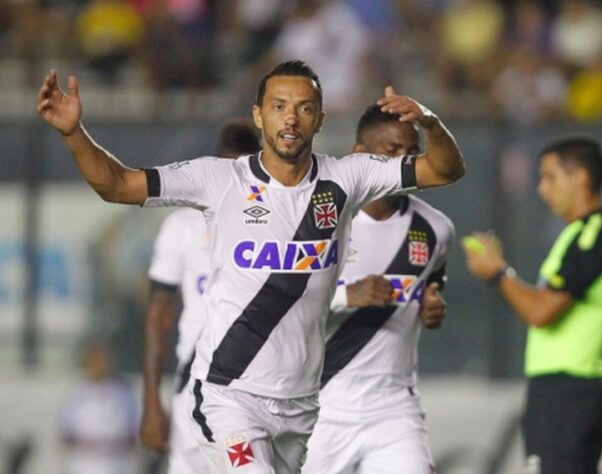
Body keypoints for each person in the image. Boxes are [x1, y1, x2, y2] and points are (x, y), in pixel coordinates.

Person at [36, 59, 466, 473]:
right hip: (230, 395)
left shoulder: (347, 178)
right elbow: (117, 184)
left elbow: (446, 170)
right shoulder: (219, 181)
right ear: (259, 116)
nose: (291, 119)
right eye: (279, 107)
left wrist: (428, 121)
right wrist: (74, 133)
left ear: (320, 119)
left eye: (304, 108)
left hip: (301, 402)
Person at [462, 137, 602, 474]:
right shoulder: (581, 233)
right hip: (562, 391)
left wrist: (497, 272)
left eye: (550, 177)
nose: (542, 189)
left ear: (580, 177)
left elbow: (540, 311)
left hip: (569, 391)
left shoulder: (592, 235)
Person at [302, 105, 455, 473]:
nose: (401, 163)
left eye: (409, 152)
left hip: (393, 408)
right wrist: (345, 297)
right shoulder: (318, 221)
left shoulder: (435, 228)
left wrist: (433, 305)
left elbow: (432, 284)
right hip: (320, 404)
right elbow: (277, 302)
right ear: (359, 153)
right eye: (390, 152)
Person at [139, 120, 260, 473]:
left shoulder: (284, 227)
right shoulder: (182, 227)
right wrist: (150, 400)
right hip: (194, 384)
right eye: (228, 171)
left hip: (259, 391)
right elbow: (159, 314)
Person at [59, 341, 139, 474]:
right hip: (83, 467)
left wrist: (112, 445)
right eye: (95, 361)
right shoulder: (75, 393)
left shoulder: (123, 393)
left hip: (116, 466)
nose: (100, 365)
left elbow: (134, 432)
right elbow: (65, 433)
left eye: (103, 361)